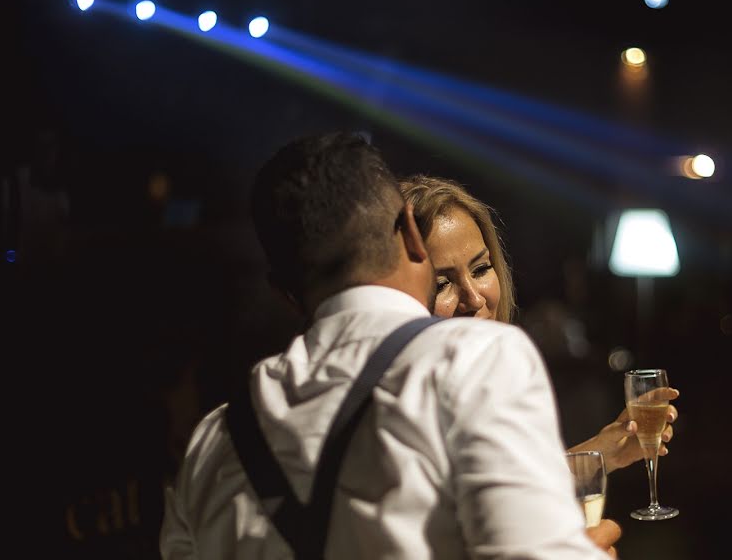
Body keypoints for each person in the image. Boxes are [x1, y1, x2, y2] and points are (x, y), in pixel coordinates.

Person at [160, 132, 621, 559]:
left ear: (284, 291)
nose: (475, 297)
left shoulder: (211, 442)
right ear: (412, 235)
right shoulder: (475, 359)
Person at [399, 175, 678, 472]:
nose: (474, 298)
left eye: (480, 269)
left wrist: (604, 453)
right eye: (442, 284)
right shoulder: (409, 404)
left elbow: (514, 488)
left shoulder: (493, 375)